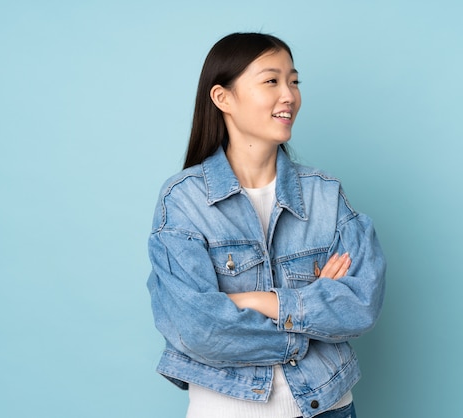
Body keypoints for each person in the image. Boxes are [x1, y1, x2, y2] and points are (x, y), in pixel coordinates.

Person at [147, 32, 386, 418]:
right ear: (223, 98)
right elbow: (199, 329)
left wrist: (254, 301)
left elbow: (361, 304)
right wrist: (311, 317)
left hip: (330, 408)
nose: (289, 95)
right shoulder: (184, 200)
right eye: (271, 81)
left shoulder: (325, 193)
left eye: (293, 81)